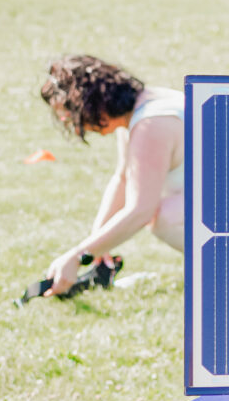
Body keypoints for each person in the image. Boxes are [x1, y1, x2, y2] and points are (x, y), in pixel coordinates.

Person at [35, 54, 183, 297]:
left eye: (71, 115)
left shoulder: (151, 125)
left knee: (163, 218)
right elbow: (124, 178)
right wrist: (97, 244)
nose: (74, 125)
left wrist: (78, 256)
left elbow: (141, 210)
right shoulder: (144, 106)